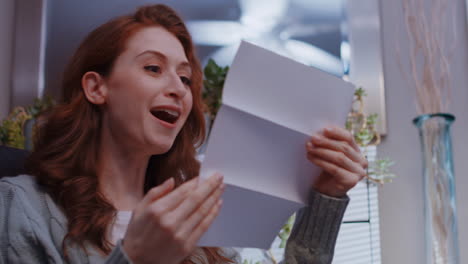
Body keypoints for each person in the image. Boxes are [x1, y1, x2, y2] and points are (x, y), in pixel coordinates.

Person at [0, 4, 368, 264]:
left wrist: (325, 197)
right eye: (153, 68)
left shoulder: (197, 215)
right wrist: (136, 260)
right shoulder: (19, 207)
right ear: (97, 88)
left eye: (185, 77)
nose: (178, 86)